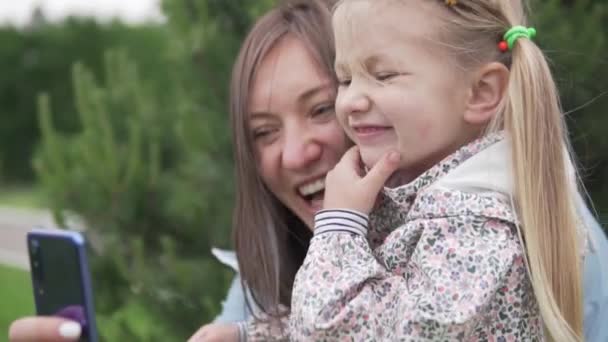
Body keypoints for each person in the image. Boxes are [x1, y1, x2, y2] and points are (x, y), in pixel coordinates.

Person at [8, 0, 608, 341]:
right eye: (263, 133)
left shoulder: (496, 225)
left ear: (474, 95)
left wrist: (341, 225)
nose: (295, 153)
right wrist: (247, 336)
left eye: (320, 106)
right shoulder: (407, 212)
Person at [289, 0, 593, 341]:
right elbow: (383, 316)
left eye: (384, 76)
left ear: (481, 92)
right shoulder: (438, 211)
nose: (350, 101)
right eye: (345, 80)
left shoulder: (476, 233)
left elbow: (335, 333)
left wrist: (339, 225)